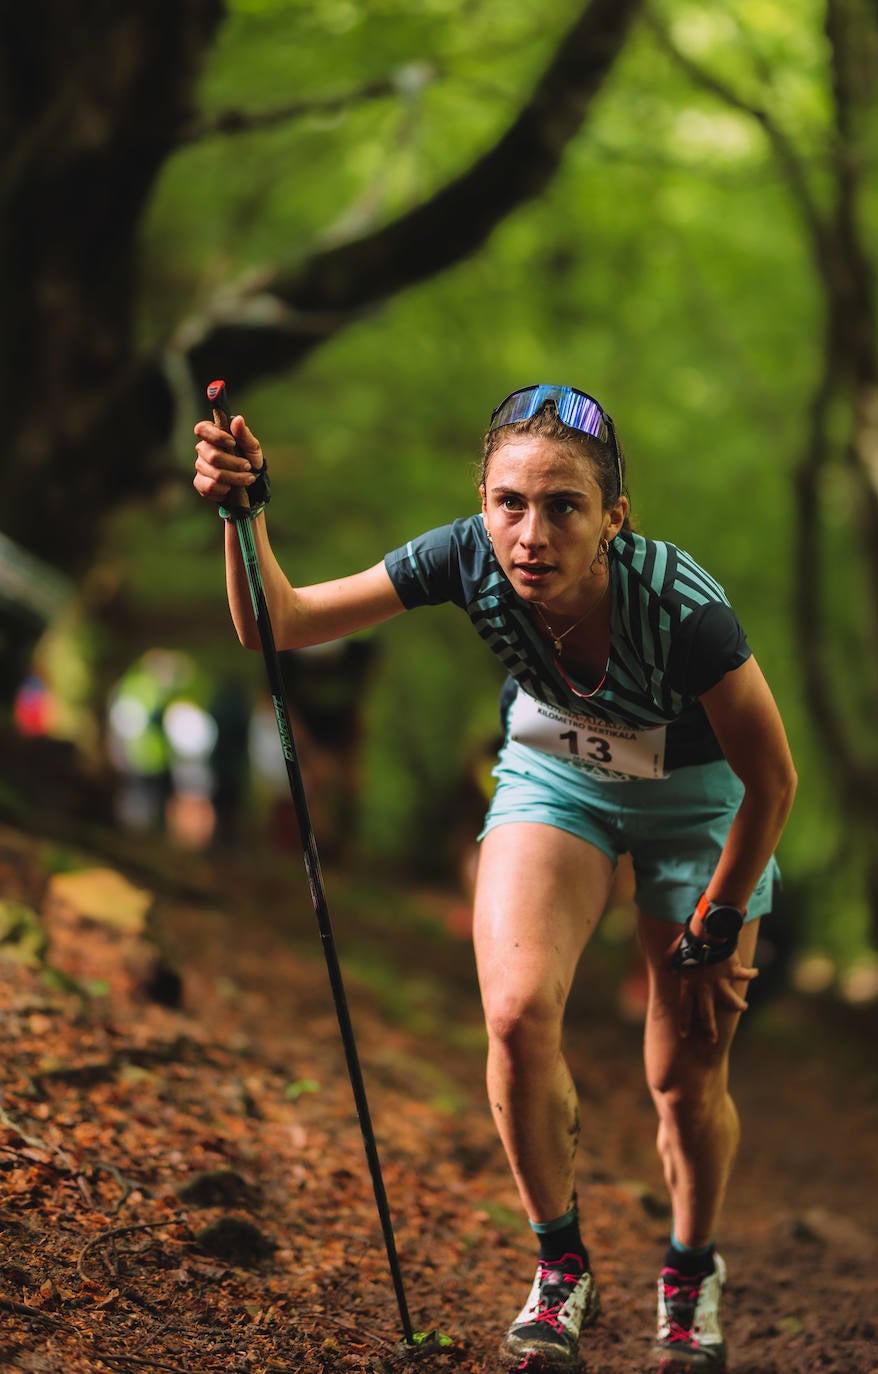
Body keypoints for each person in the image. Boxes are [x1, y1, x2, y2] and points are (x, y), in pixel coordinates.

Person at [193, 383, 797, 1372]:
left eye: (563, 506)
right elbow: (279, 623)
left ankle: (690, 1269)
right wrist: (243, 511)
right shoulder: (463, 557)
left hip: (696, 799)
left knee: (682, 1076)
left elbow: (772, 779)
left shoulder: (681, 608)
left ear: (613, 517)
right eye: (508, 502)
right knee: (515, 1012)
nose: (531, 533)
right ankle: (560, 1266)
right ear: (481, 503)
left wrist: (718, 916)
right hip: (557, 773)